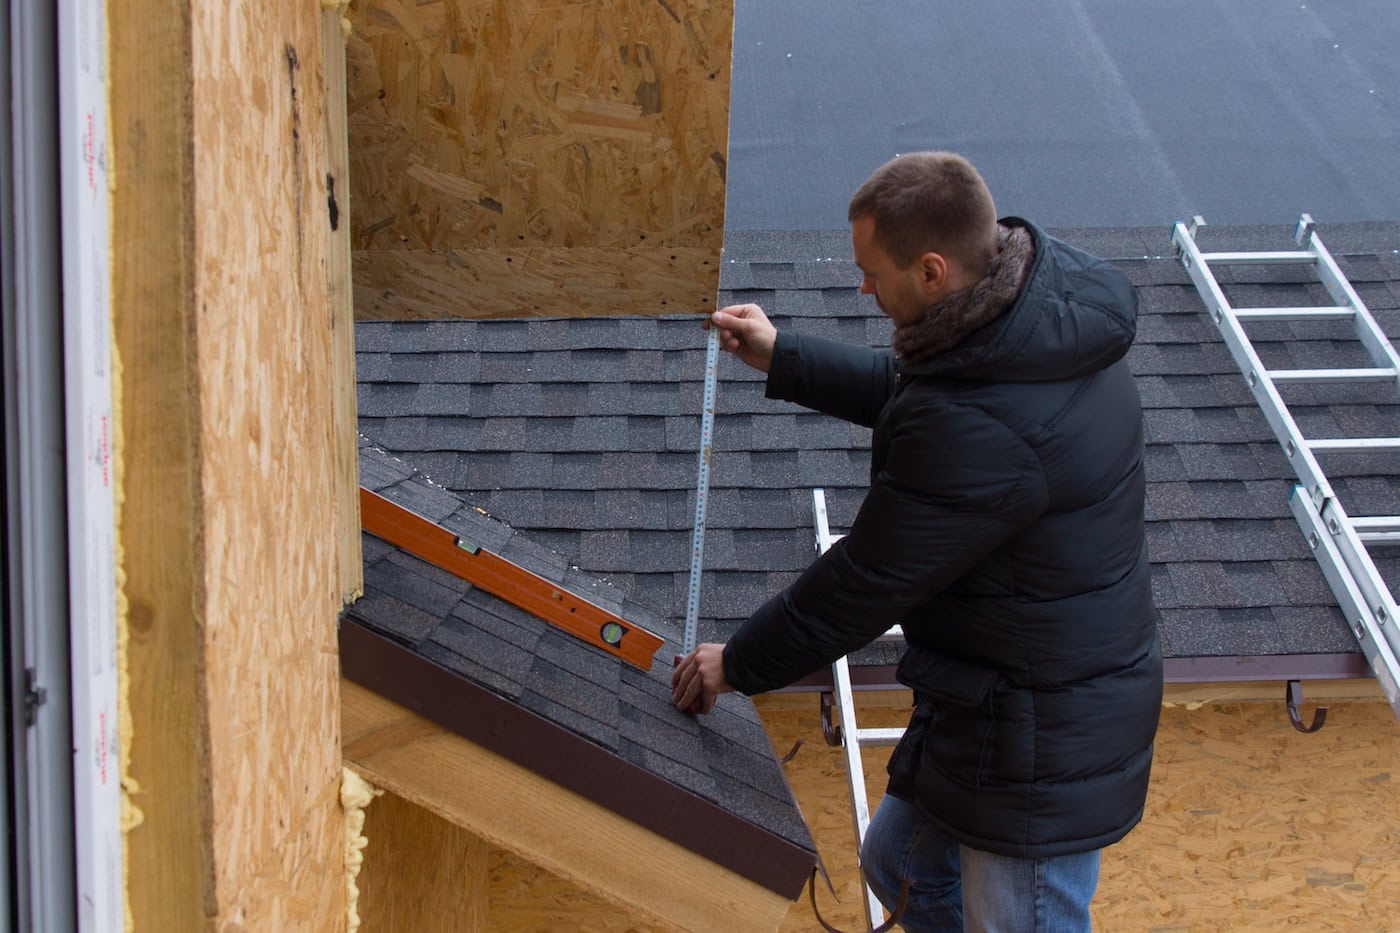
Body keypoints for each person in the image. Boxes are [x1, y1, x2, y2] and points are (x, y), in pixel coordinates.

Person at [672, 151, 1160, 931]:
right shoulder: (1030, 320)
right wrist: (784, 354)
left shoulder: (982, 424)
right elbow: (925, 396)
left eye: (872, 271)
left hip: (1038, 741)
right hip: (1001, 689)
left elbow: (861, 583)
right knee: (899, 864)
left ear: (932, 271)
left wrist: (734, 663)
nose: (862, 286)